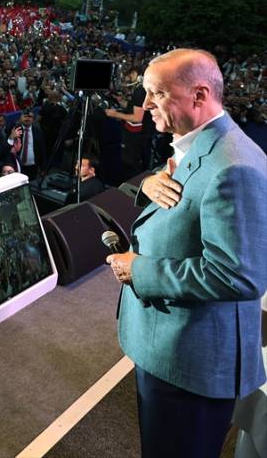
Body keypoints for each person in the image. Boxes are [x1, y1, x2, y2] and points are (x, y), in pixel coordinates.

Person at [106, 48, 267, 458]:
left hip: (191, 366)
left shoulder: (235, 166)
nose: (145, 106)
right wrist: (148, 183)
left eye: (157, 94)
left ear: (199, 95)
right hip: (175, 350)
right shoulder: (203, 143)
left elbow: (238, 275)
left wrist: (140, 271)